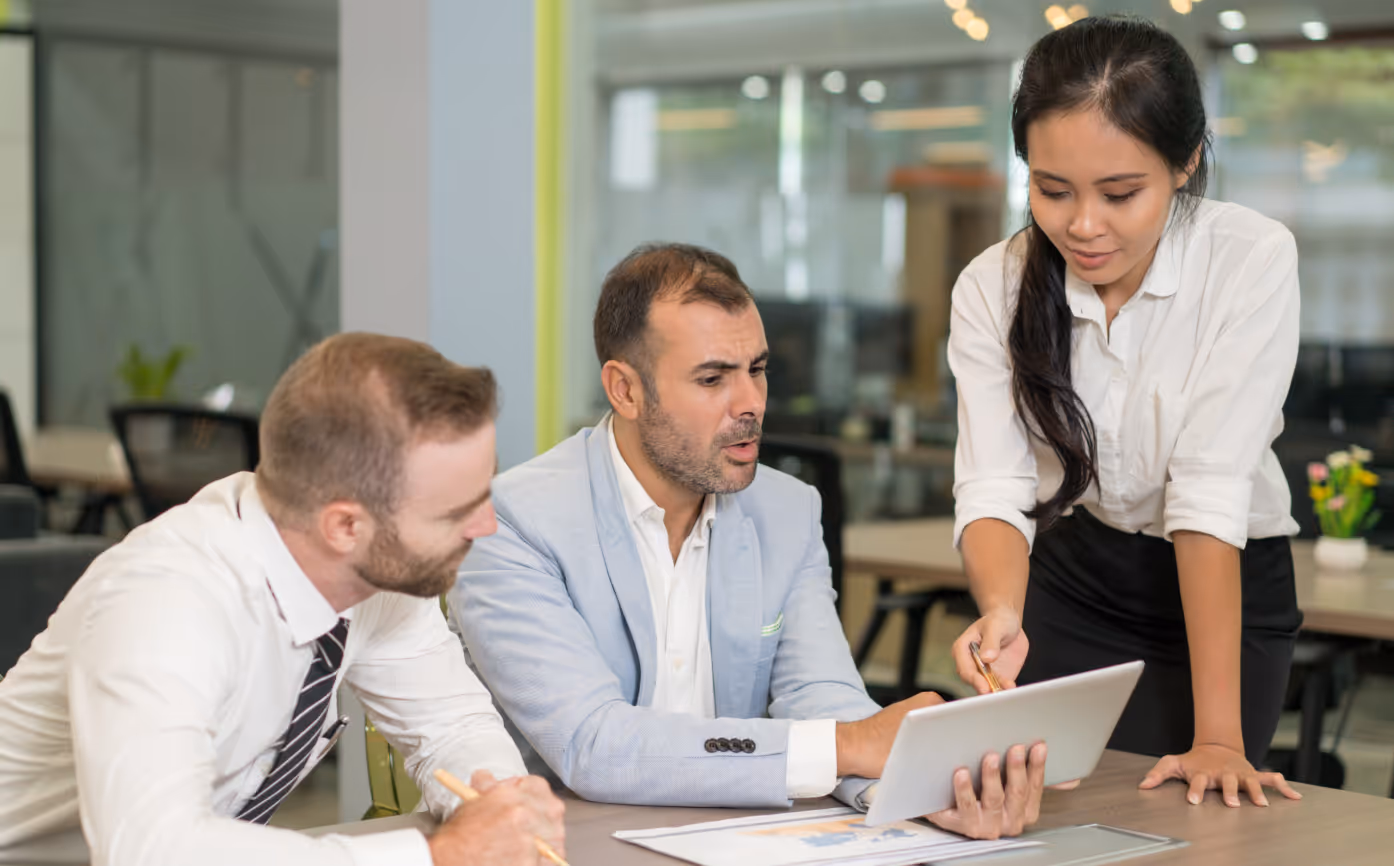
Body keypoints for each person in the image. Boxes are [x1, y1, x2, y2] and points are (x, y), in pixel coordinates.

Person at [452, 243, 1046, 841]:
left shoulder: (787, 510)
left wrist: (919, 790)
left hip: (733, 842)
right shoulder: (512, 522)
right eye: (712, 379)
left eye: (757, 370)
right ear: (625, 390)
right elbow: (593, 745)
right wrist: (853, 745)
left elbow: (822, 697)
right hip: (567, 847)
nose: (751, 404)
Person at [0, 333, 565, 866]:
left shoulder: (377, 568)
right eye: (456, 511)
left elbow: (451, 725)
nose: (487, 525)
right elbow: (153, 850)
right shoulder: (167, 599)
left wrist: (500, 804)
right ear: (345, 525)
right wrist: (436, 856)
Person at [946, 15, 1304, 810]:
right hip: (1076, 579)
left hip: (1225, 586)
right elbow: (995, 486)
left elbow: (1208, 494)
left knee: (1201, 821)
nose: (1082, 225)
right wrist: (1002, 609)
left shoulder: (1250, 259)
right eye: (1051, 189)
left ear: (1186, 164)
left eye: (1119, 193)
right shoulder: (991, 286)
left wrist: (1217, 737)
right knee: (1051, 817)